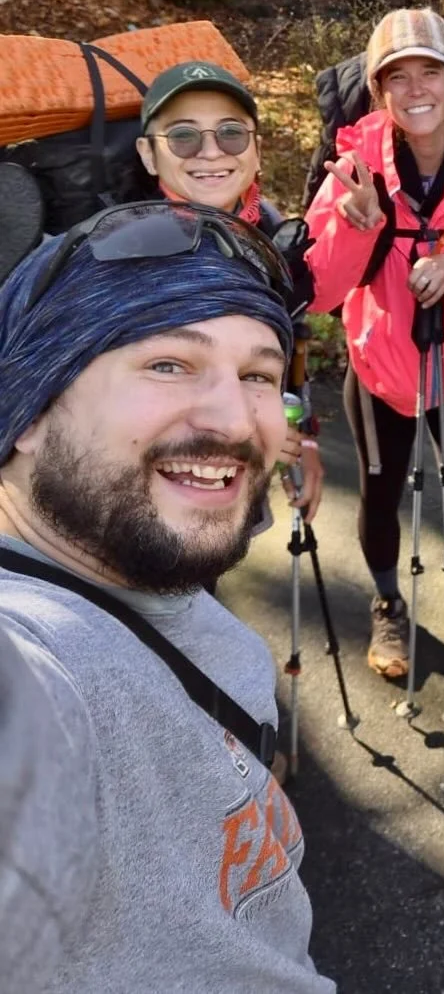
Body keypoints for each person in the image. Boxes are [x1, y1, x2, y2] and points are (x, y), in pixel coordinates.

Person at [0, 202, 334, 992]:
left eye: (257, 374)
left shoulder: (140, 576)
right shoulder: (40, 658)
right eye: (168, 364)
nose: (232, 420)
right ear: (29, 412)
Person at [304, 8, 444, 678]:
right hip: (378, 370)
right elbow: (317, 291)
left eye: (427, 71)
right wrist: (359, 227)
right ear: (377, 91)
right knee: (378, 491)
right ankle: (387, 603)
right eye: (395, 77)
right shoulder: (352, 170)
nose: (414, 90)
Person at [135, 60, 325, 521]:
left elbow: (287, 343)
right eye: (183, 136)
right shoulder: (125, 253)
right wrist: (259, 433)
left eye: (231, 134)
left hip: (231, 488)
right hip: (144, 509)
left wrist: (303, 436)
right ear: (147, 153)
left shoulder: (270, 234)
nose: (211, 152)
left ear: (256, 150)